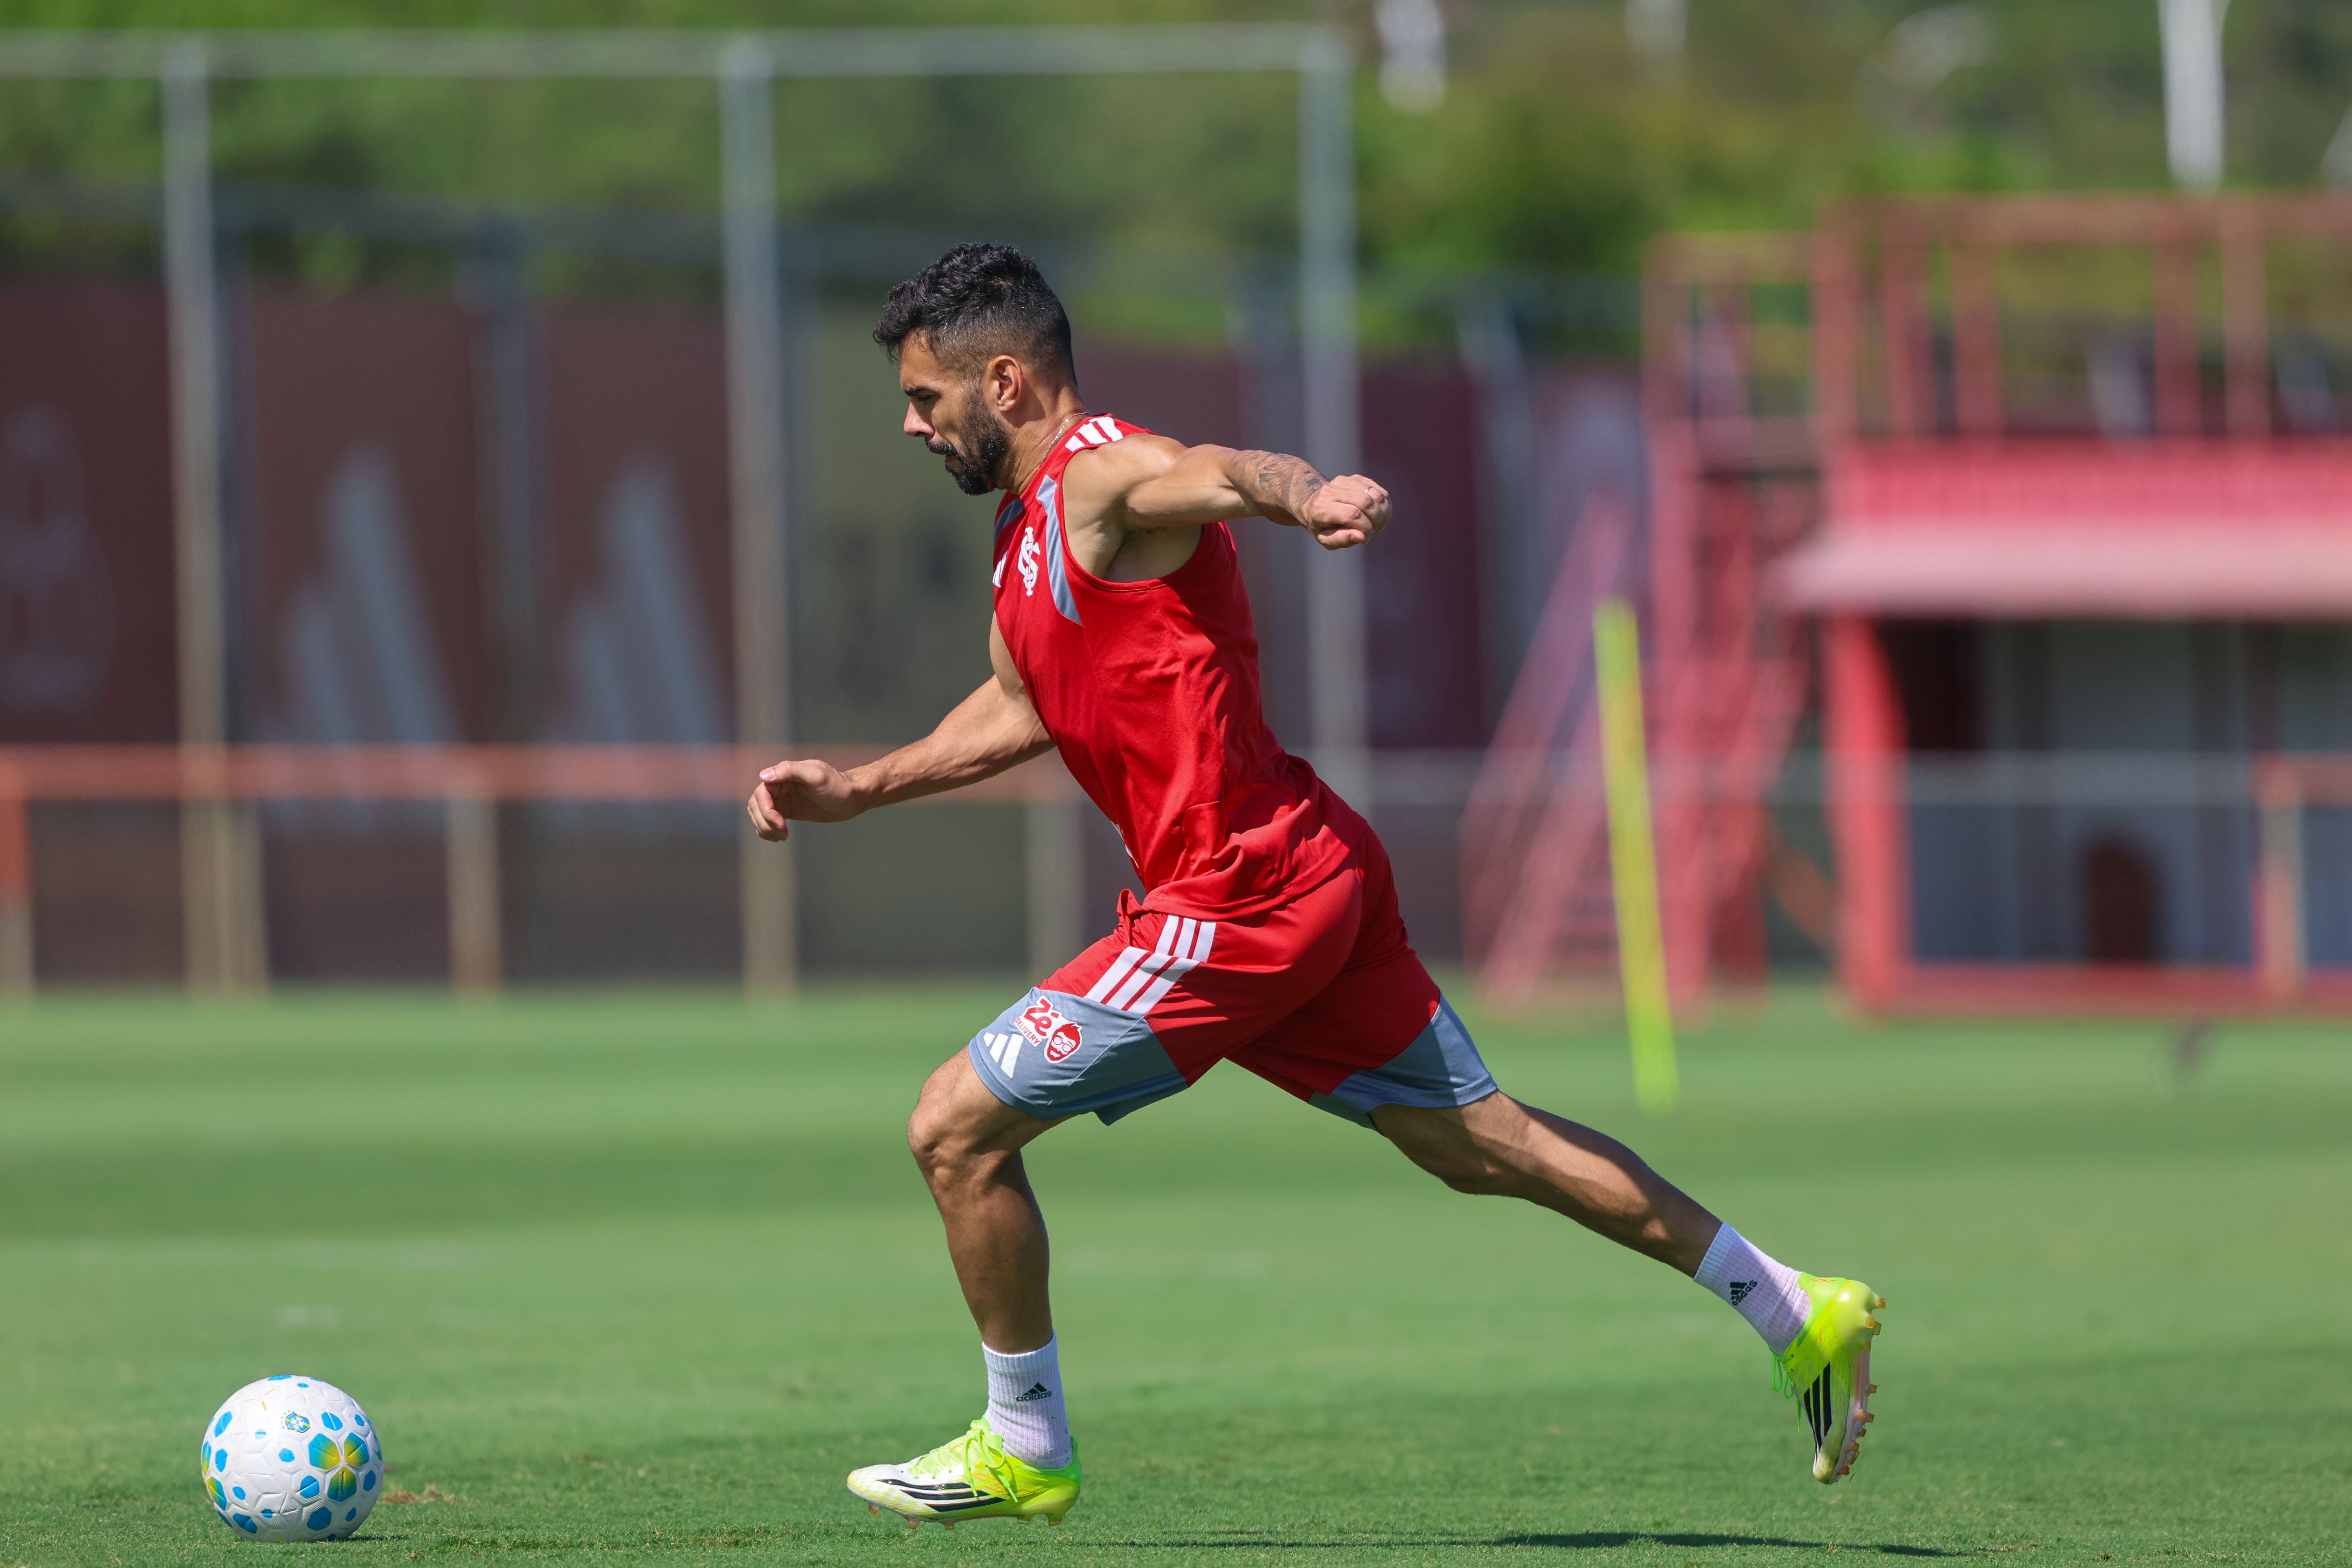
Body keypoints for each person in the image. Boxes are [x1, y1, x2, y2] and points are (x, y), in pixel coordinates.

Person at [746, 243, 1883, 1530]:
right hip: (1306, 869)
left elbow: (1222, 473)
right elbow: (1020, 707)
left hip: (1234, 899)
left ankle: (1025, 1442)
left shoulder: (1104, 470)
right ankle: (1795, 1308)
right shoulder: (1027, 542)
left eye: (924, 396)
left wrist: (1311, 493)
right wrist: (860, 789)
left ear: (1003, 382)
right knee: (1485, 1145)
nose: (911, 422)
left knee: (952, 1130)